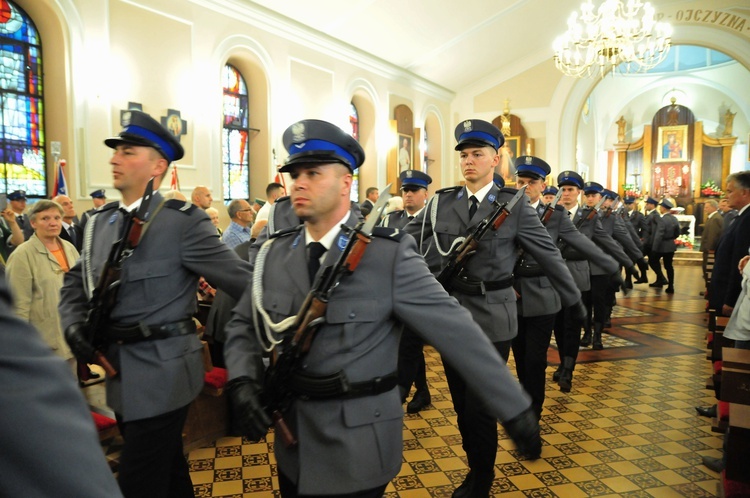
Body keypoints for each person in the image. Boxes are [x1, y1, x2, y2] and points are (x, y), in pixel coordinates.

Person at [224, 119, 540, 498]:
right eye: (294, 174)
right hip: (294, 443)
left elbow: (455, 329)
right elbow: (245, 322)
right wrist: (242, 379)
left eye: (312, 173)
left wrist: (513, 407)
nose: (299, 183)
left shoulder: (386, 255)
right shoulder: (274, 253)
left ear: (345, 183)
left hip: (358, 444)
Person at [59, 110, 253, 498]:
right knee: (167, 471)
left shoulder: (183, 222)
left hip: (166, 371)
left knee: (138, 481)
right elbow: (74, 283)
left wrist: (243, 345)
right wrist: (74, 326)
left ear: (158, 165)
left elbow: (244, 282)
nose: (115, 158)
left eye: (128, 152)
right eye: (116, 152)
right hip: (120, 371)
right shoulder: (99, 223)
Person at [403, 120, 581, 496]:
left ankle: (481, 478)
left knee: (480, 404)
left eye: (477, 154)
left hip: (493, 315)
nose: (469, 161)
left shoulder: (513, 206)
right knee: (461, 403)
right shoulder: (442, 201)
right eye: (464, 155)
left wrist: (574, 300)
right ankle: (475, 462)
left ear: (495, 159)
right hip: (452, 314)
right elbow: (418, 251)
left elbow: (549, 255)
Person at [0, 279, 123, 497]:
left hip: (63, 343)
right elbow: (18, 311)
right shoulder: (24, 255)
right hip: (39, 348)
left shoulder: (67, 248)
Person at [512, 157, 617, 412]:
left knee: (536, 359)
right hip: (512, 297)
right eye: (520, 182)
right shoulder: (504, 213)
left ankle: (532, 412)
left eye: (532, 182)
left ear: (543, 184)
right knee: (521, 359)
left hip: (544, 294)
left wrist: (612, 262)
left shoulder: (555, 216)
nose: (526, 187)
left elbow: (580, 243)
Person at [382, 169, 435, 413]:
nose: (409, 195)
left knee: (409, 343)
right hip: (392, 291)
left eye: (414, 191)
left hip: (421, 292)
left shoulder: (434, 222)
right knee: (404, 344)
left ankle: (403, 391)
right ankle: (422, 390)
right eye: (405, 191)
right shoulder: (391, 220)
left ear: (426, 193)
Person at [5, 200, 79, 360]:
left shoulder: (70, 248)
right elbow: (18, 305)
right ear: (33, 223)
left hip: (71, 337)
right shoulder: (22, 255)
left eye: (57, 218)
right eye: (45, 218)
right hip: (42, 343)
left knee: (72, 383)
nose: (53, 223)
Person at [709, 172, 750, 316]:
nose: (726, 196)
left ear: (744, 192)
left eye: (730, 191)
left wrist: (731, 299)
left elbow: (739, 263)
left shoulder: (747, 220)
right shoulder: (741, 216)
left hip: (731, 296)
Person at [650, 199, 680, 294]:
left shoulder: (662, 220)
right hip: (670, 245)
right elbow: (677, 233)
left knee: (653, 261)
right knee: (669, 266)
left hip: (661, 246)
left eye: (661, 207)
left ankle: (661, 278)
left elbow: (659, 234)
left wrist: (654, 248)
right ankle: (671, 286)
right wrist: (671, 238)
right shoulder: (674, 218)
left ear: (663, 208)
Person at [701, 199, 724, 289]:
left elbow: (713, 236)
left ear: (714, 207)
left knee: (708, 270)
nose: (704, 209)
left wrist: (710, 249)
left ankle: (710, 290)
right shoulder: (713, 217)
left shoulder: (715, 218)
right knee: (706, 270)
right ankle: (708, 289)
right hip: (708, 249)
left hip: (710, 250)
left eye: (707, 207)